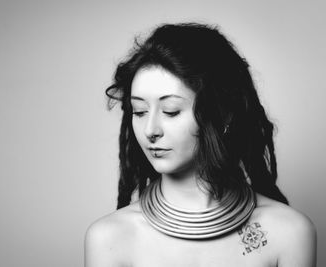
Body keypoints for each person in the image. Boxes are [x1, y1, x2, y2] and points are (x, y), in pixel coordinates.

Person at [84, 22, 317, 267]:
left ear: (223, 114)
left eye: (171, 111)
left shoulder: (289, 233)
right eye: (139, 111)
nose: (150, 130)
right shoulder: (108, 238)